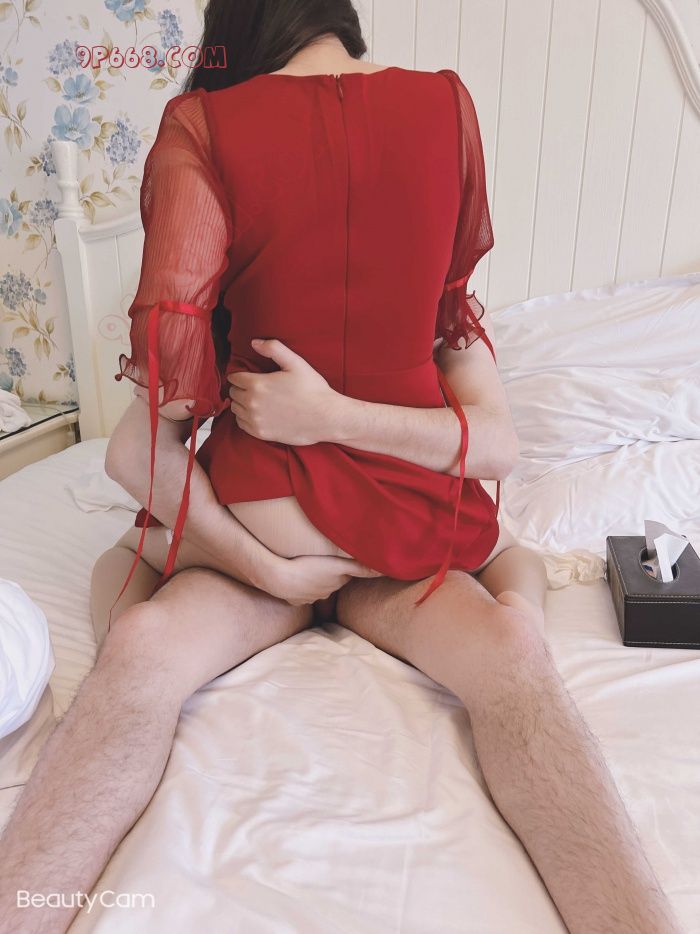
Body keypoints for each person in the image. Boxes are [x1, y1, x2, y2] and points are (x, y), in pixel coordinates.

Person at [0, 3, 683, 932]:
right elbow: (472, 385)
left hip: (263, 543)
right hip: (401, 547)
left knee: (139, 642)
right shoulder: (446, 111)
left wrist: (273, 552)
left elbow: (147, 433)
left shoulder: (205, 127)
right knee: (513, 654)